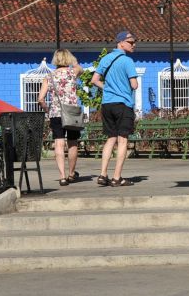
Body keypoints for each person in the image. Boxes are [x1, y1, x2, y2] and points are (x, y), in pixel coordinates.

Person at [91, 30, 139, 187]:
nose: (134, 45)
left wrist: (108, 88)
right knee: (123, 139)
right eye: (131, 42)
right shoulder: (127, 61)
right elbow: (134, 85)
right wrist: (123, 88)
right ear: (121, 43)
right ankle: (117, 177)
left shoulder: (106, 58)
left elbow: (94, 80)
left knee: (110, 138)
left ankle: (102, 174)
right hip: (123, 104)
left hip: (107, 104)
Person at [38, 49, 83, 186]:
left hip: (56, 113)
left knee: (59, 143)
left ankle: (62, 176)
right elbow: (78, 67)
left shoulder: (49, 76)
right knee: (73, 142)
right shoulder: (73, 73)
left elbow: (40, 99)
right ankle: (71, 174)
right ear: (68, 59)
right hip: (72, 113)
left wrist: (48, 109)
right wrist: (73, 60)